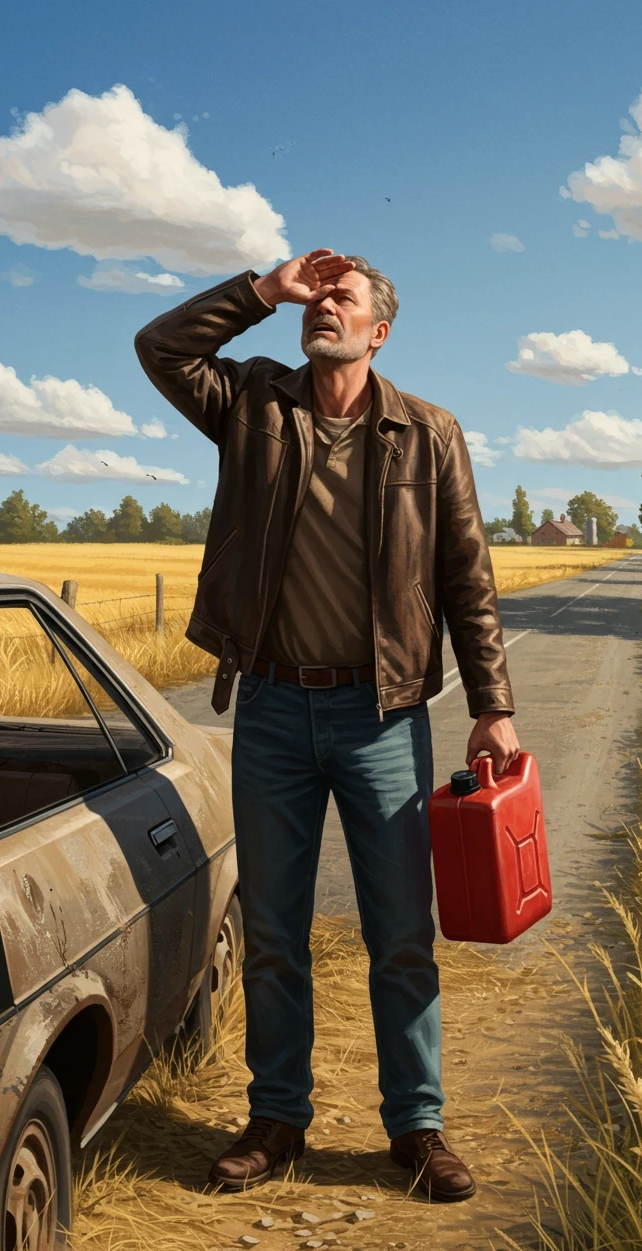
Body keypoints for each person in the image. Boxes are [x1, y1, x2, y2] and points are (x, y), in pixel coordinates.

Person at [134, 249, 519, 1202]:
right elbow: (159, 348)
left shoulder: (428, 434)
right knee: (273, 930)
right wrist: (265, 290)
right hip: (268, 706)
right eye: (319, 295)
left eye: (344, 298)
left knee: (400, 932)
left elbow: (466, 577)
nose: (326, 306)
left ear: (380, 331)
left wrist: (493, 706)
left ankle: (417, 1126)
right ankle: (277, 1119)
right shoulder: (255, 406)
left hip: (381, 715)